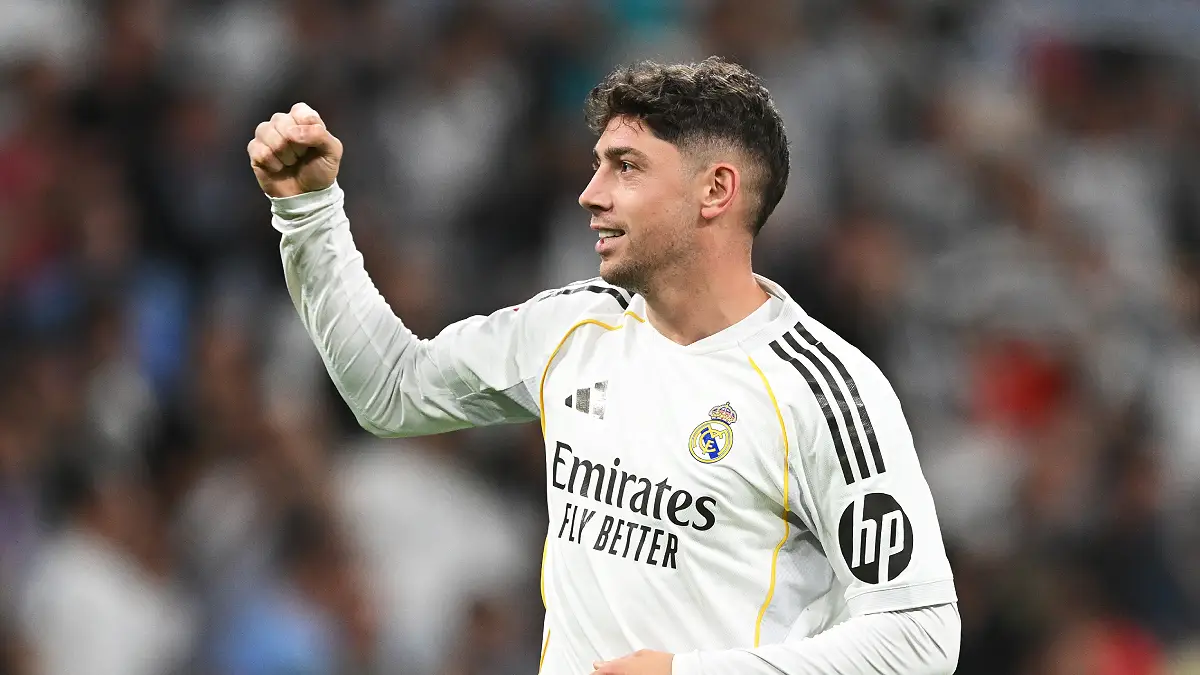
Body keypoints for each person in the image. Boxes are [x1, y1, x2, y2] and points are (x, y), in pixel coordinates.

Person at [246, 56, 960, 675]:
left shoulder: (824, 390)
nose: (592, 193)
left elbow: (920, 635)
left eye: (626, 166)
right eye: (597, 165)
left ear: (715, 190)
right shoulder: (573, 327)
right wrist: (309, 215)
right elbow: (392, 391)